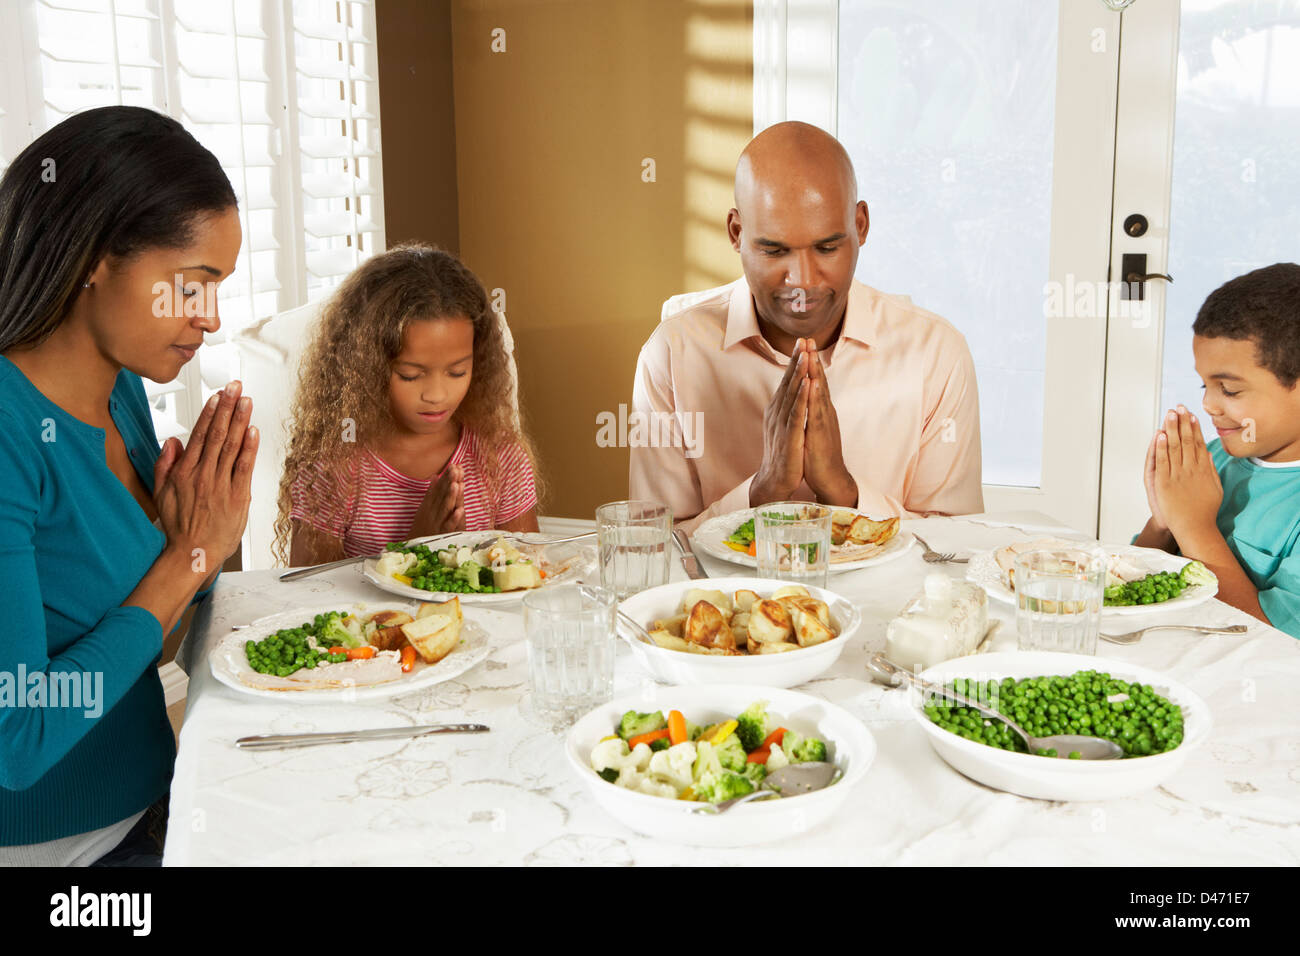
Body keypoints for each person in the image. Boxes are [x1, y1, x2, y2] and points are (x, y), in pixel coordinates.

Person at [0, 107, 256, 864]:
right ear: (95, 257)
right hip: (64, 853)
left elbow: (171, 633)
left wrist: (207, 551)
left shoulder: (117, 393)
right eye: (191, 285)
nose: (208, 319)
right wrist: (186, 558)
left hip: (165, 801)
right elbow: (17, 737)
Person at [630, 121, 983, 533]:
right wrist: (762, 493)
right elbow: (650, 549)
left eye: (827, 247)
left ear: (861, 226)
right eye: (775, 250)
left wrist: (842, 491)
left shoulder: (935, 355)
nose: (802, 281)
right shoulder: (673, 354)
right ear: (737, 233)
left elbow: (957, 553)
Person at [277, 244, 541, 565]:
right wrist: (414, 547)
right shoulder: (334, 466)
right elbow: (309, 591)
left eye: (457, 371)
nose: (437, 395)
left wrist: (465, 550)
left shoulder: (498, 456)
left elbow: (529, 575)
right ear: (366, 368)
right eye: (411, 375)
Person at [1134, 264, 1300, 638]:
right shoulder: (1211, 460)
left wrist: (1193, 526)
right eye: (1203, 386)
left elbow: (1276, 641)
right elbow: (1132, 579)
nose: (1208, 404)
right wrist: (1162, 524)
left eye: (1229, 389)